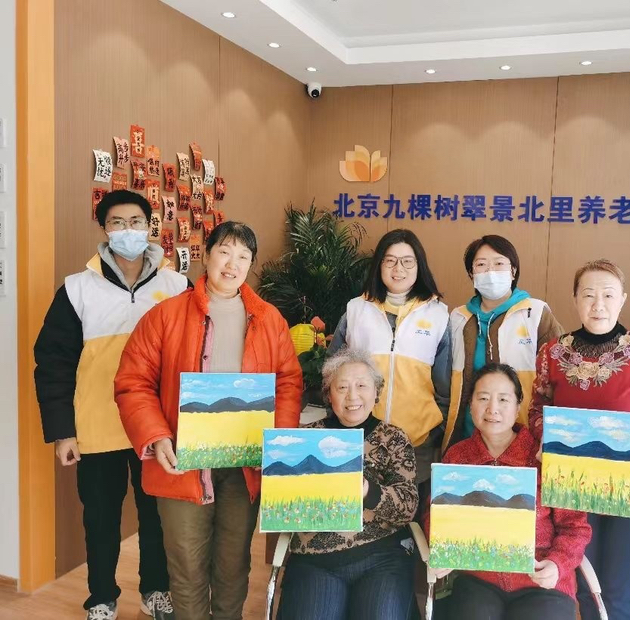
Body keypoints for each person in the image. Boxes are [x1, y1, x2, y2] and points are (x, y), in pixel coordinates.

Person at [114, 221, 303, 620]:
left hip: (244, 464)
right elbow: (133, 381)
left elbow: (288, 383)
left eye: (243, 257)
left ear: (251, 264)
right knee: (186, 565)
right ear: (207, 255)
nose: (232, 264)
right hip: (183, 461)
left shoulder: (269, 320)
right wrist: (157, 435)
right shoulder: (165, 316)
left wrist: (277, 444)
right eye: (225, 252)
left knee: (233, 565)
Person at [33, 189, 187, 620]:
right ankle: (101, 597)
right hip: (97, 425)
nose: (127, 230)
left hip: (158, 427)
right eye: (117, 222)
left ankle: (156, 590)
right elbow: (53, 363)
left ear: (150, 226)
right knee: (100, 520)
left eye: (135, 221)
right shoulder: (77, 289)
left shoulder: (177, 286)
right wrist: (63, 432)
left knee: (156, 516)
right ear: (104, 229)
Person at [528, 258, 630, 620]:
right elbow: (537, 409)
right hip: (574, 489)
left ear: (623, 299)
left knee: (620, 596)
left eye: (608, 295)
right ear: (575, 299)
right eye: (588, 295)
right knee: (585, 591)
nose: (598, 304)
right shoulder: (553, 353)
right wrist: (546, 437)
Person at [424, 363, 591, 620]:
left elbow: (575, 526)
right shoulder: (457, 456)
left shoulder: (544, 457)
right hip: (478, 581)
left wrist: (557, 564)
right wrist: (440, 550)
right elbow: (435, 516)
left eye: (503, 399)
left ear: (517, 406)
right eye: (483, 398)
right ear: (470, 405)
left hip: (541, 582)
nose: (493, 409)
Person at [278, 348, 419, 620]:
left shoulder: (394, 439)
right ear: (328, 395)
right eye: (342, 387)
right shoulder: (305, 439)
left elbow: (408, 507)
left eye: (362, 386)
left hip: (381, 555)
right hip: (317, 559)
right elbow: (283, 507)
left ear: (376, 392)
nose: (352, 396)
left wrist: (367, 490)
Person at [329, 229, 450, 494]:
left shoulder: (439, 315)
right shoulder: (356, 310)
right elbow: (331, 372)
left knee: (407, 511)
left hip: (416, 442)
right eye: (390, 260)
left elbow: (446, 385)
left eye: (407, 261)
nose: (399, 269)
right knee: (361, 510)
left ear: (419, 265)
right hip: (360, 438)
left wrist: (433, 430)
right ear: (379, 265)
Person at [443, 235, 564, 451]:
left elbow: (560, 375)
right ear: (471, 273)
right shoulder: (458, 318)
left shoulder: (535, 313)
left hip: (525, 438)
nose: (490, 272)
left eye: (499, 263)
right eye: (481, 265)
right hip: (467, 438)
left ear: (513, 270)